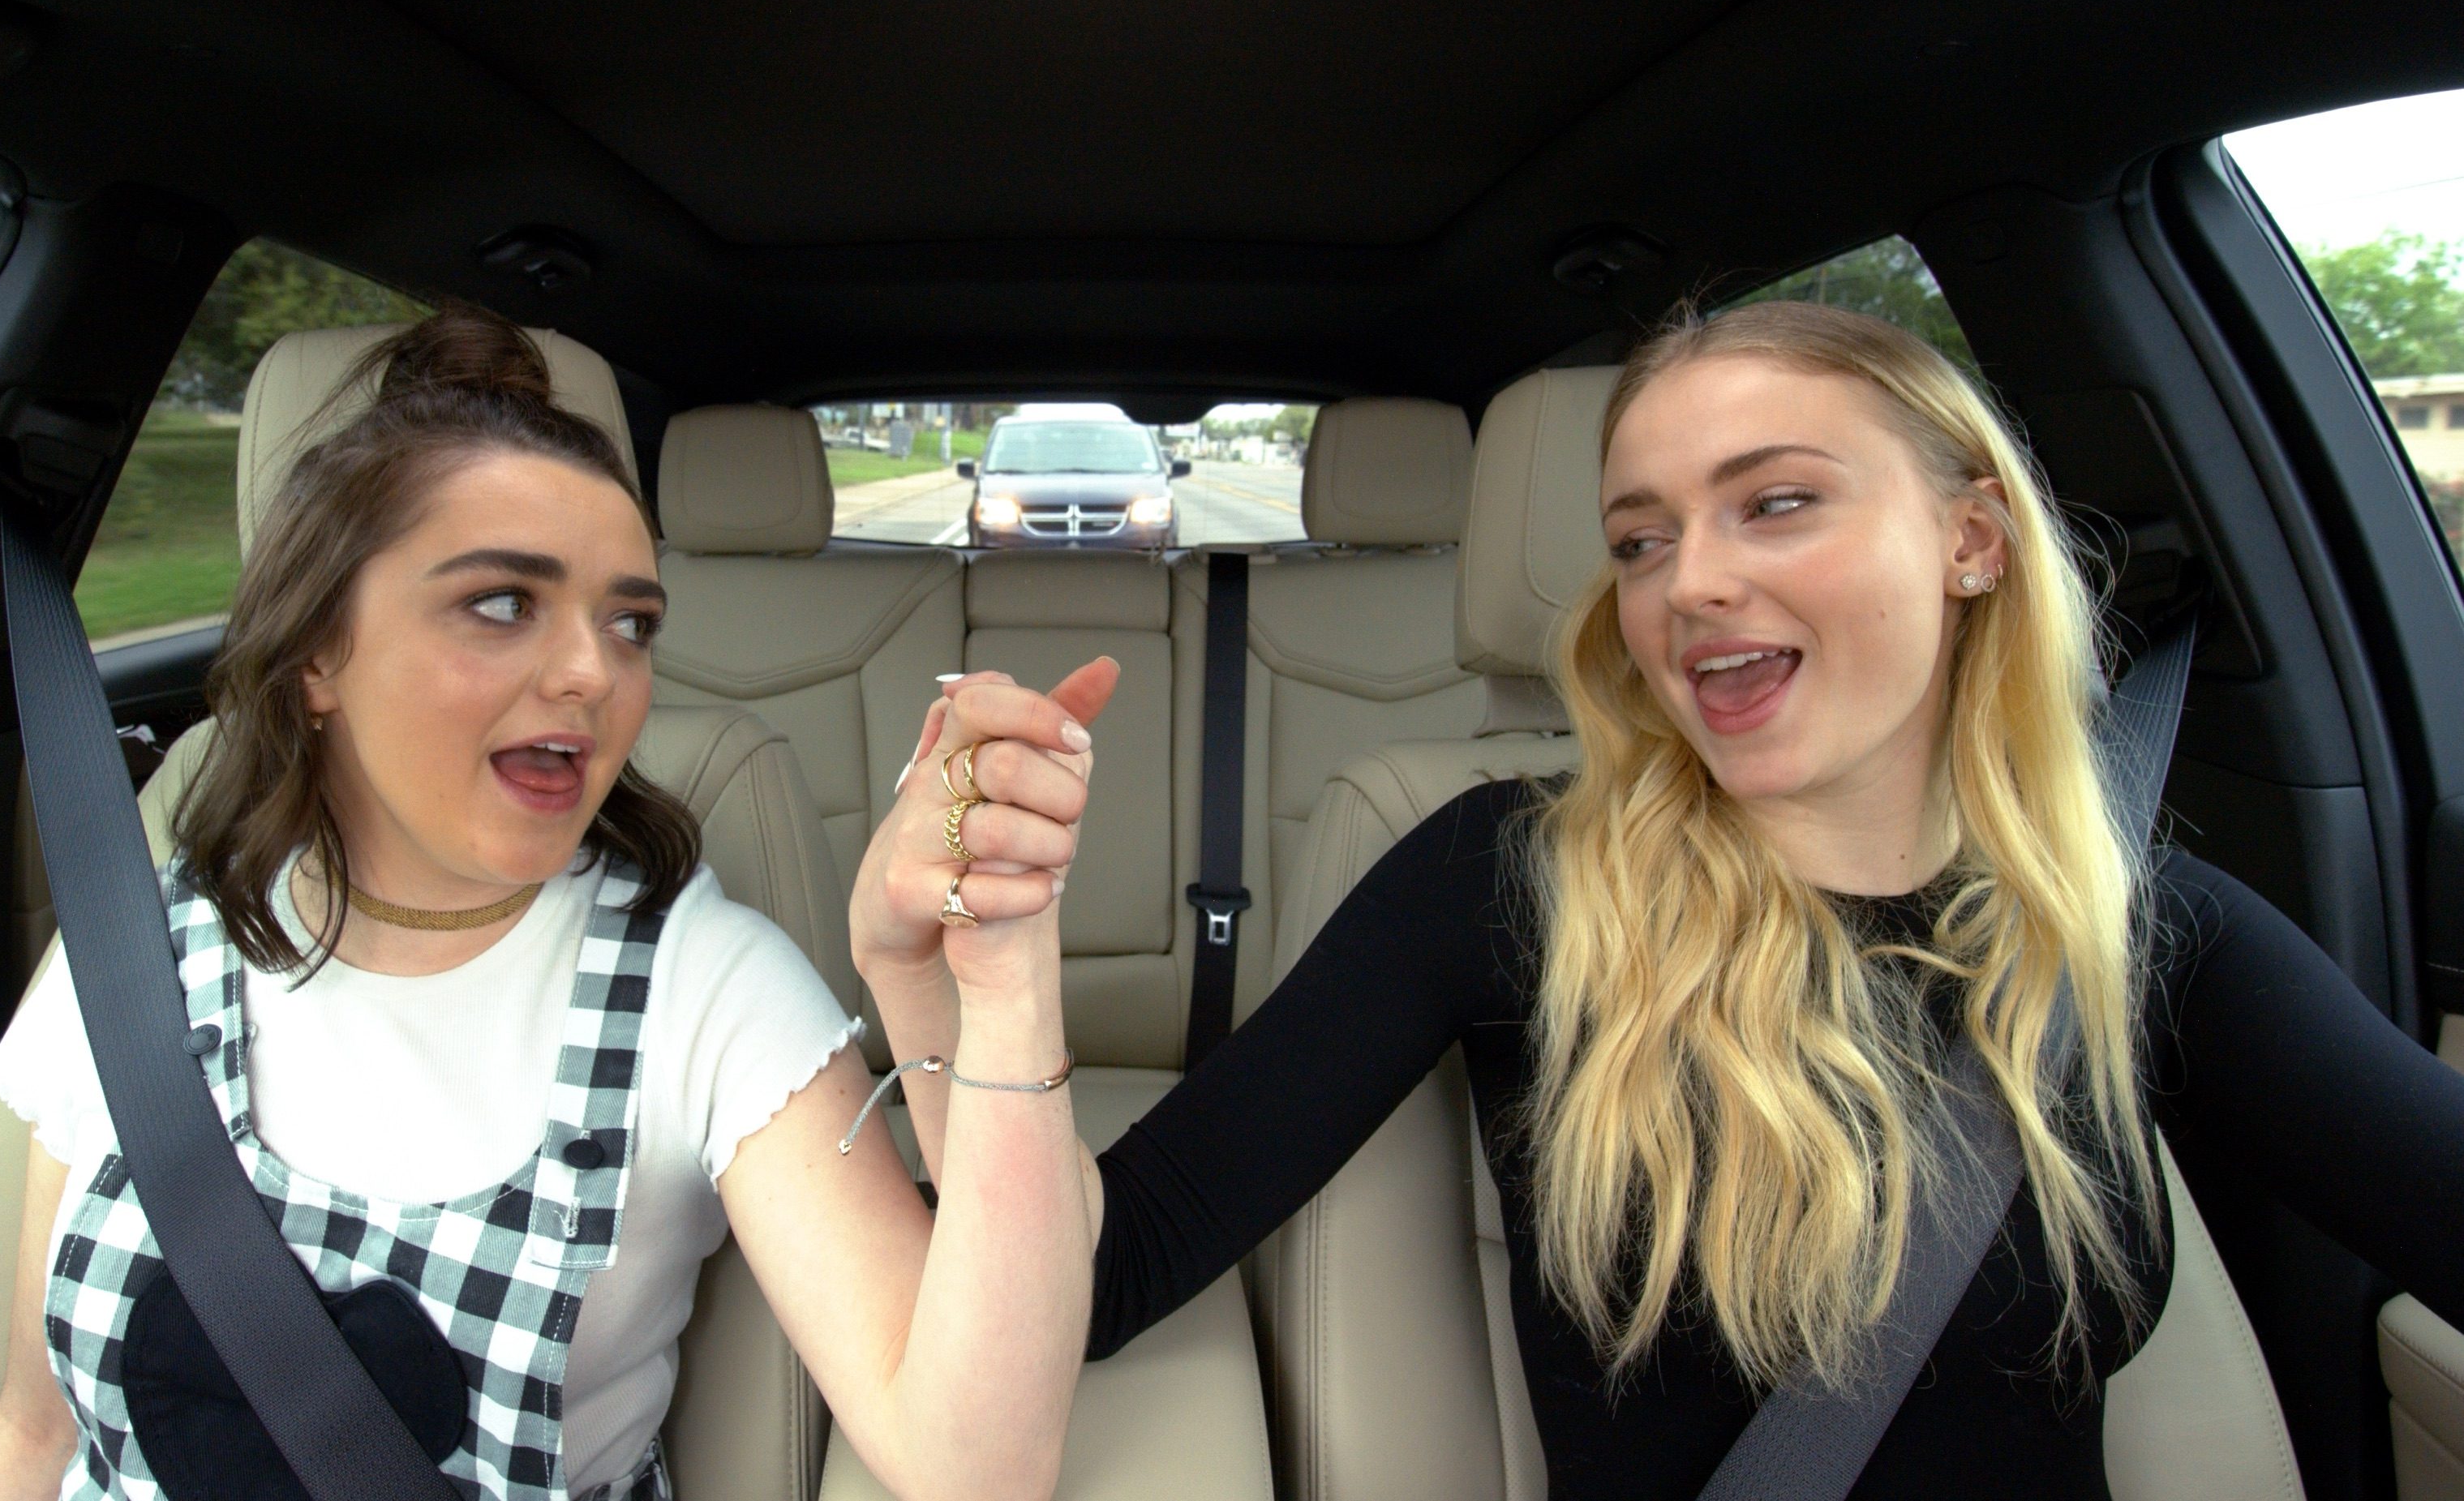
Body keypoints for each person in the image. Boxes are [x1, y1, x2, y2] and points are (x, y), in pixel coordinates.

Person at [871, 300, 2464, 1498]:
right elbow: (1105, 1270)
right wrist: (965, 979)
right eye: (1640, 538)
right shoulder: (1509, 880)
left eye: (1773, 502)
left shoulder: (2143, 929)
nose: (1686, 580)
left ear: (1971, 540)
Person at [0, 305, 1111, 1501]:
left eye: (630, 624)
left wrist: (992, 966)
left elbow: (974, 1468)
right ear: (318, 651)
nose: (596, 672)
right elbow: (31, 1435)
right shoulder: (136, 953)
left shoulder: (702, 989)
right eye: (503, 602)